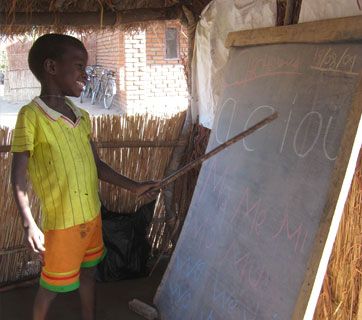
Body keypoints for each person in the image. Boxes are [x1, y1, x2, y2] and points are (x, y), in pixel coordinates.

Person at [10, 34, 160, 320]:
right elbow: (18, 177)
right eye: (79, 65)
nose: (85, 73)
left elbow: (97, 166)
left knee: (90, 274)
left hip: (92, 217)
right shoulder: (31, 116)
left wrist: (135, 187)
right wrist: (29, 223)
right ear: (51, 67)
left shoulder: (81, 116)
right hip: (63, 224)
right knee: (51, 286)